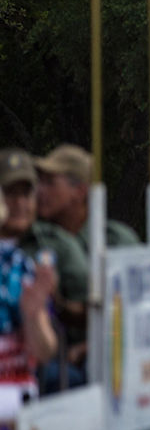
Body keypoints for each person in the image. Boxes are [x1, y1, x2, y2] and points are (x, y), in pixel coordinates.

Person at [0, 148, 91, 389]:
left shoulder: (57, 244)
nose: (19, 203)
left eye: (26, 193)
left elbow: (91, 307)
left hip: (35, 366)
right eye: (10, 194)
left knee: (69, 380)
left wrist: (51, 304)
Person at [0, 188, 59, 430]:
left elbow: (45, 349)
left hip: (19, 400)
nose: (19, 203)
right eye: (10, 194)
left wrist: (33, 313)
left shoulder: (25, 266)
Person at [35, 144, 139, 249]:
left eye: (50, 183)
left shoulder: (115, 241)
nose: (40, 190)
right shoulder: (36, 240)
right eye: (40, 182)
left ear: (80, 191)